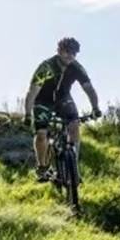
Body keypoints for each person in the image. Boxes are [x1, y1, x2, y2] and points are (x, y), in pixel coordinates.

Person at [26, 37, 101, 181]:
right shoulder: (46, 67)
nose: (70, 55)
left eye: (74, 53)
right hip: (43, 100)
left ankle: (74, 169)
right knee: (42, 134)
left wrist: (95, 108)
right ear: (59, 50)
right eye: (67, 51)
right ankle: (42, 168)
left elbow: (89, 89)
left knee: (74, 126)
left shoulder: (76, 68)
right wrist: (28, 113)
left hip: (63, 99)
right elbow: (32, 91)